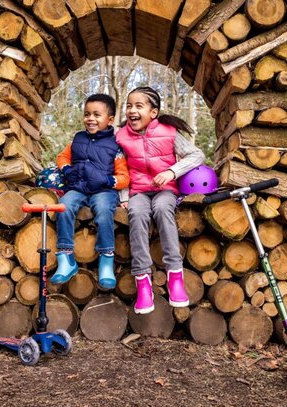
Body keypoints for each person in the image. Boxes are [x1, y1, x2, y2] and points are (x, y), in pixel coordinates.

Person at [116, 86, 206, 314]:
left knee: (163, 208)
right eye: (129, 106)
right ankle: (143, 282)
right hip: (138, 191)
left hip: (165, 189)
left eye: (139, 106)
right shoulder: (121, 136)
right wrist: (125, 196)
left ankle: (175, 275)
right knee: (136, 213)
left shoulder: (169, 132)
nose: (132, 111)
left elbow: (197, 155)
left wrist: (172, 172)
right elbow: (119, 166)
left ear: (153, 112)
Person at [51, 93, 130, 290]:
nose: (91, 119)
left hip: (103, 190)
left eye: (97, 115)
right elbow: (62, 157)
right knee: (64, 206)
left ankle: (106, 260)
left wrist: (107, 180)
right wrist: (66, 169)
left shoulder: (115, 146)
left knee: (103, 211)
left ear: (109, 119)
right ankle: (66, 258)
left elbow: (124, 177)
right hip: (77, 187)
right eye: (87, 114)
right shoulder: (77, 139)